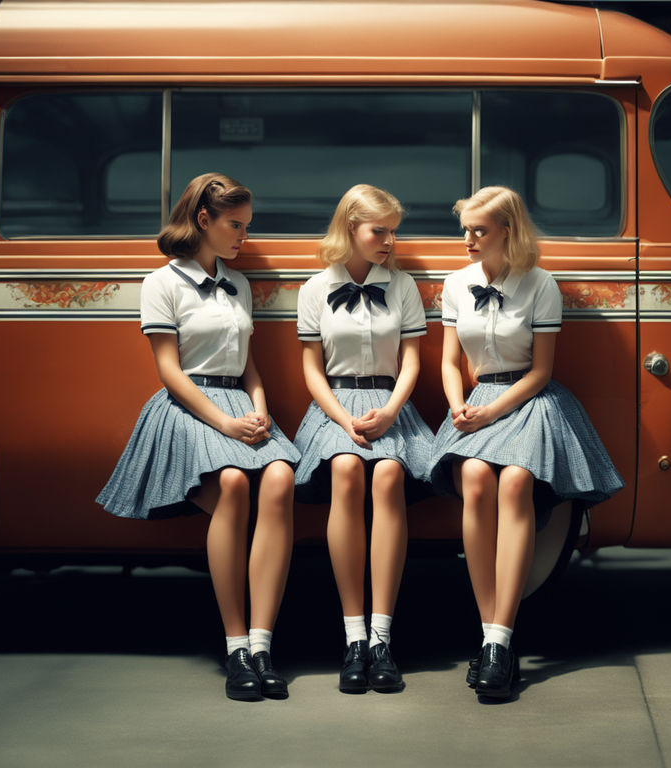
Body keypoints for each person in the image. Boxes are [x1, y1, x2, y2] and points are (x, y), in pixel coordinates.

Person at [96, 173, 300, 702]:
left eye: (248, 226)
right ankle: (235, 648)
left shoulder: (240, 282)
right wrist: (226, 423)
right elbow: (170, 371)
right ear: (203, 220)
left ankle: (262, 646)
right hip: (191, 406)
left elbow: (250, 365)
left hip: (241, 402)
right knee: (232, 484)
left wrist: (258, 410)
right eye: (236, 225)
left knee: (279, 477)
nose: (244, 237)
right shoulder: (161, 282)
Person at [428, 186, 624, 699]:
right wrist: (457, 403)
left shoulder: (541, 284)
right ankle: (493, 637)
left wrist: (492, 410)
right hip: (474, 400)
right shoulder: (455, 283)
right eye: (465, 229)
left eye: (479, 230)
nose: (467, 239)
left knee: (515, 484)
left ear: (507, 233)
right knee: (473, 478)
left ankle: (498, 641)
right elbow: (450, 361)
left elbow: (541, 372)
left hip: (526, 401)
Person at [293, 184, 433, 694]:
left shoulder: (402, 285)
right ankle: (352, 637)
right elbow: (311, 370)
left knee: (390, 473)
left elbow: (413, 360)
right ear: (351, 226)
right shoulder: (313, 289)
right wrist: (342, 419)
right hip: (334, 405)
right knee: (347, 470)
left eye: (394, 231)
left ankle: (381, 638)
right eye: (380, 231)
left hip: (391, 402)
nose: (390, 241)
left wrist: (392, 408)